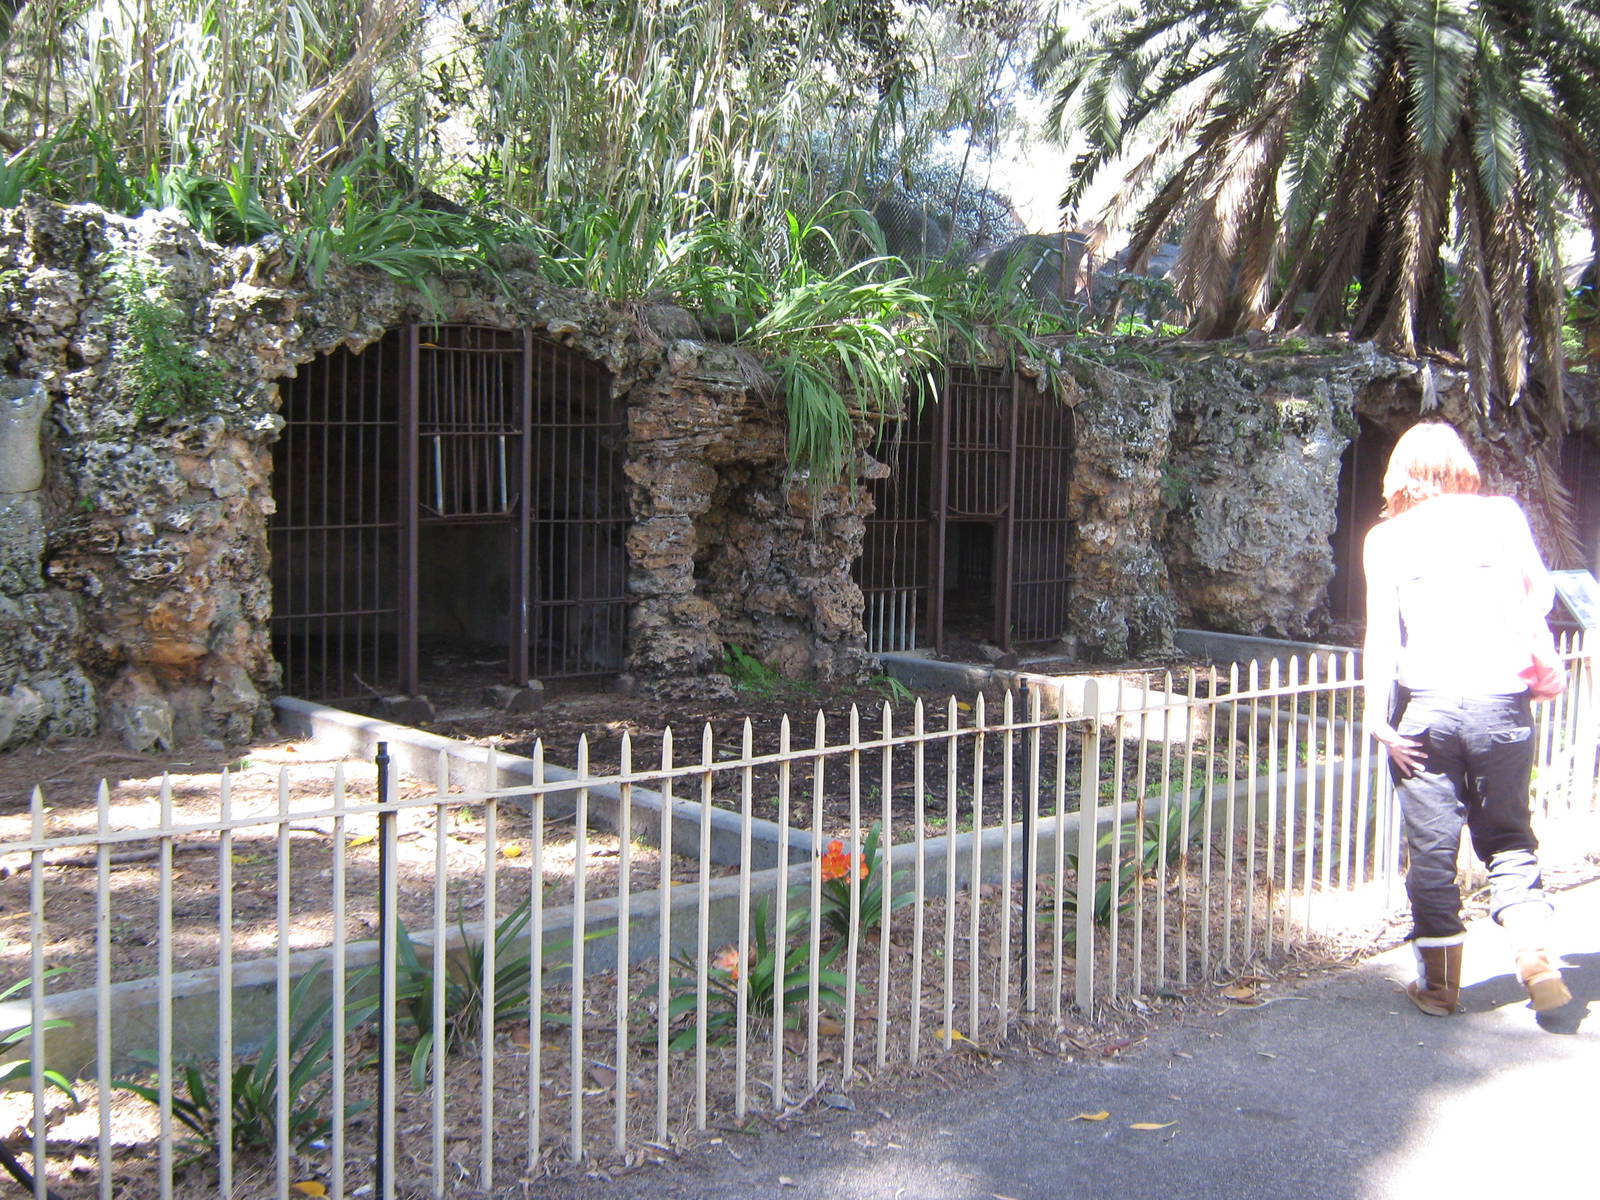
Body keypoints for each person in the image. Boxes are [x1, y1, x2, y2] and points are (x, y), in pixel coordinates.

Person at [1362, 421, 1570, 1016]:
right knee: (1507, 837)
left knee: (1431, 848)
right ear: (1460, 467)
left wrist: (1378, 717)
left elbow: (1383, 635)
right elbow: (1543, 595)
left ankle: (1440, 987)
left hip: (1427, 706)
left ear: (1399, 473)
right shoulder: (1502, 516)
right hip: (1502, 704)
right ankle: (1535, 956)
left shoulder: (1386, 537)